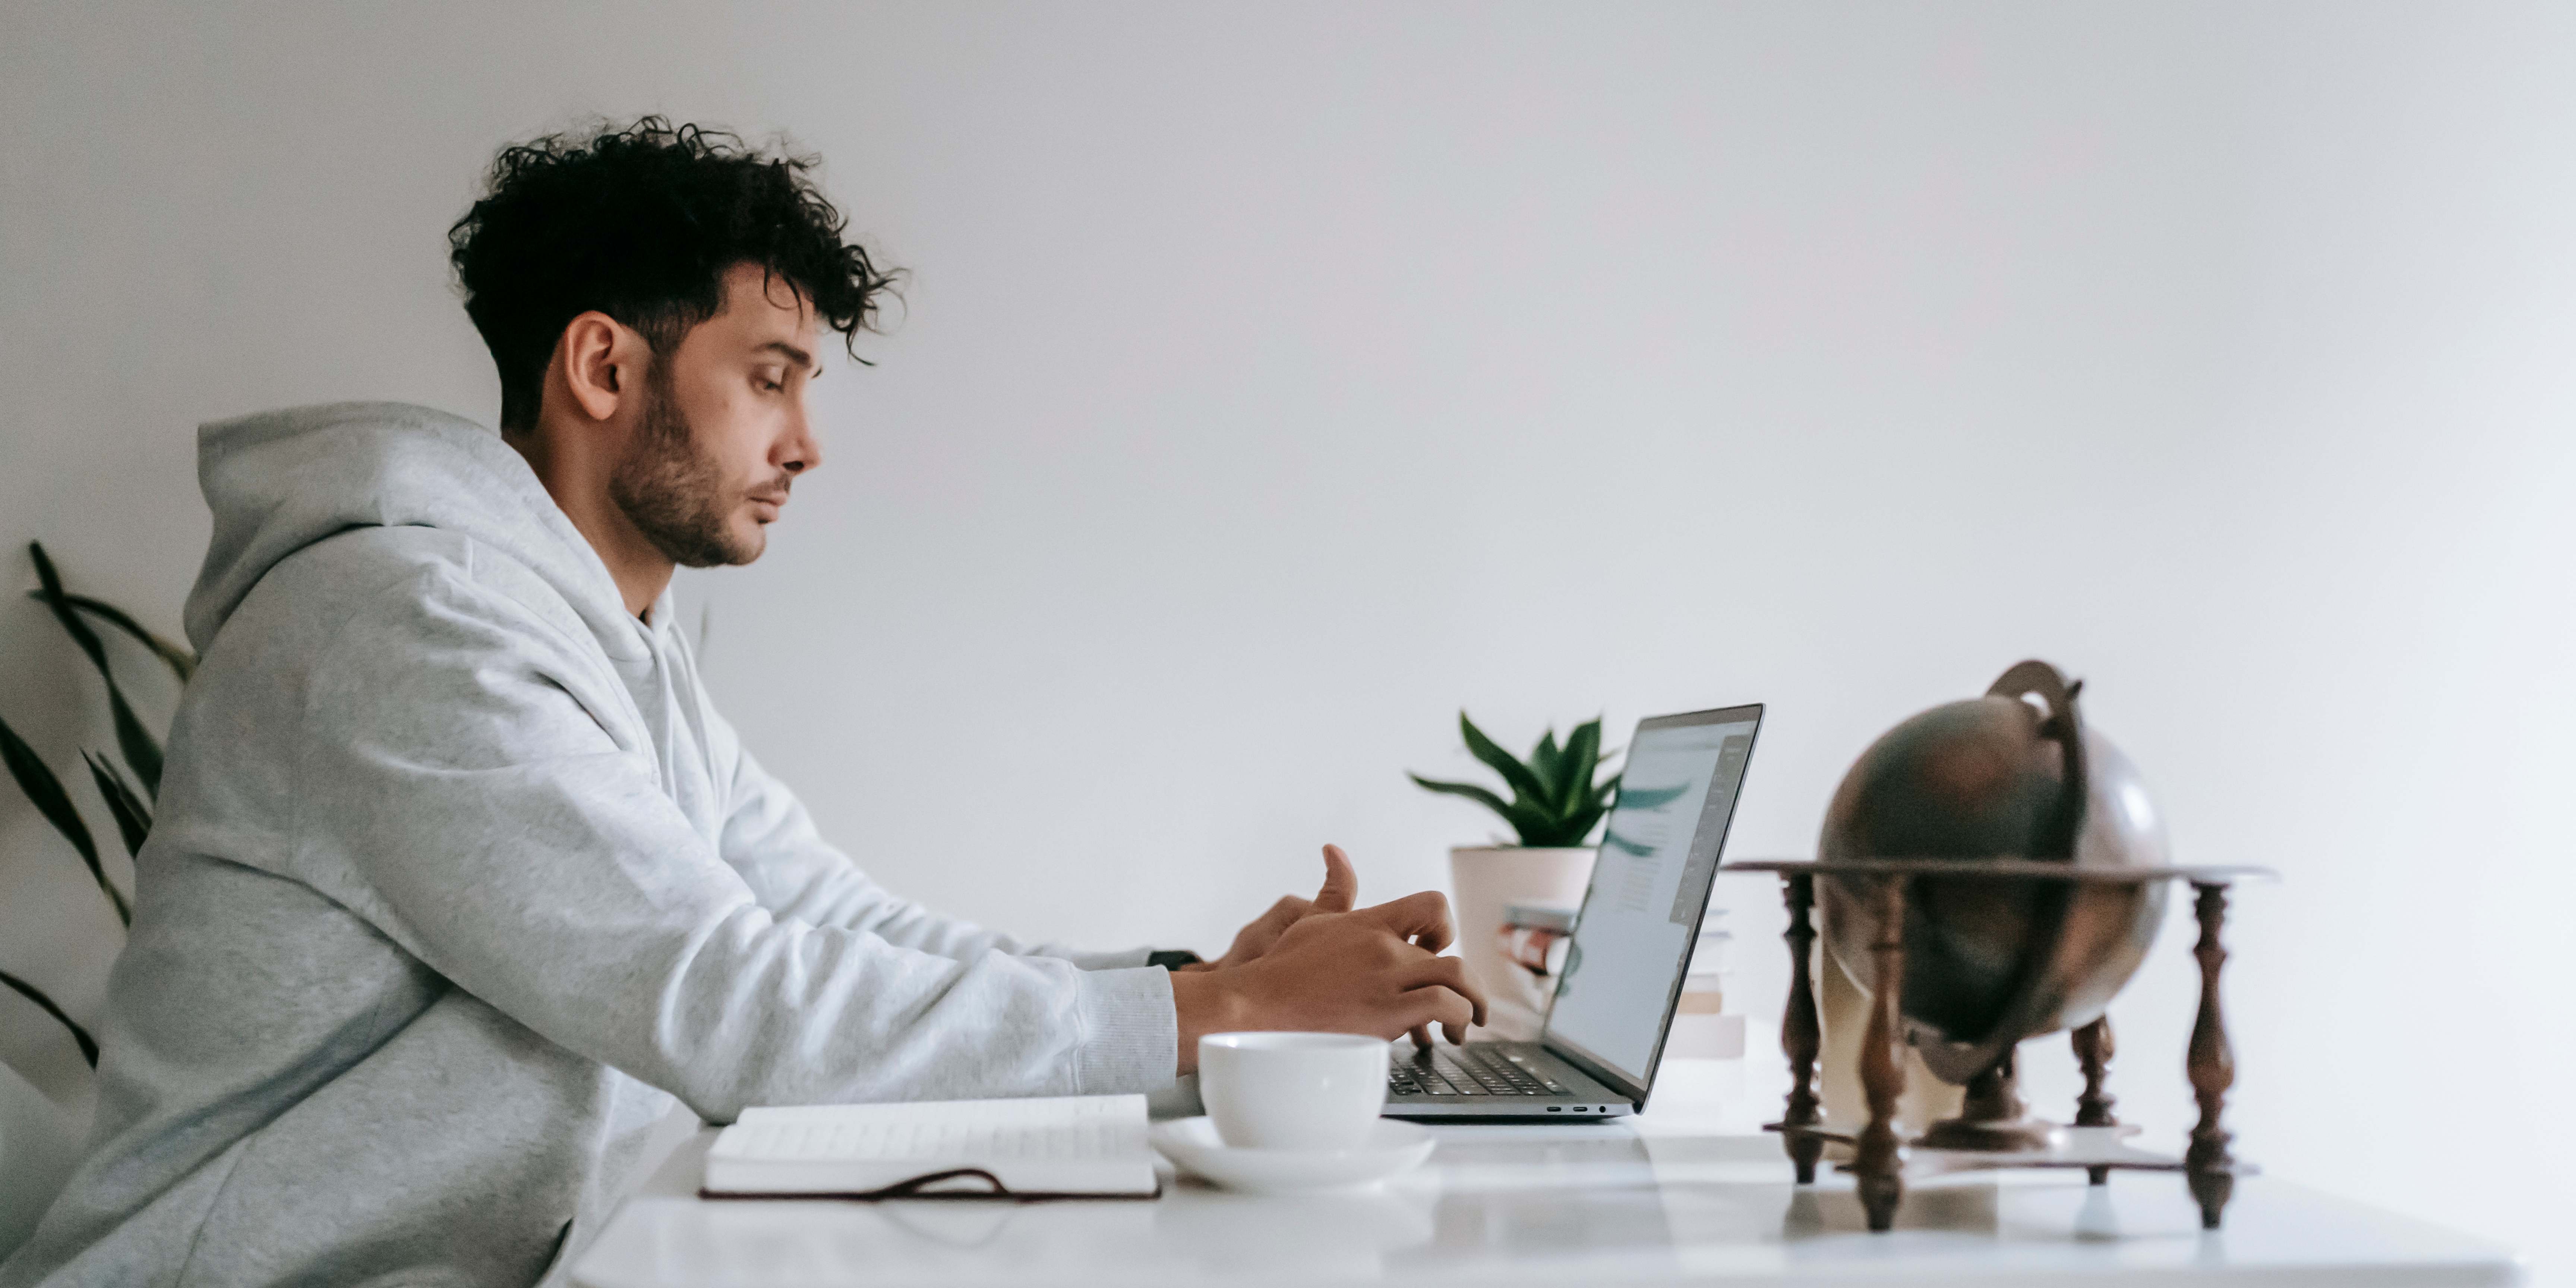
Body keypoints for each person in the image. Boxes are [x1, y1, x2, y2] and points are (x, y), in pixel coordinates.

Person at [0, 118, 1483, 1288]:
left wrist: (1195, 992)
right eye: (769, 378)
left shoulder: (616, 649)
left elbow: (838, 937)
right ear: (603, 364)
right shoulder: (409, 627)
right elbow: (733, 1006)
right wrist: (1205, 1015)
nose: (807, 444)